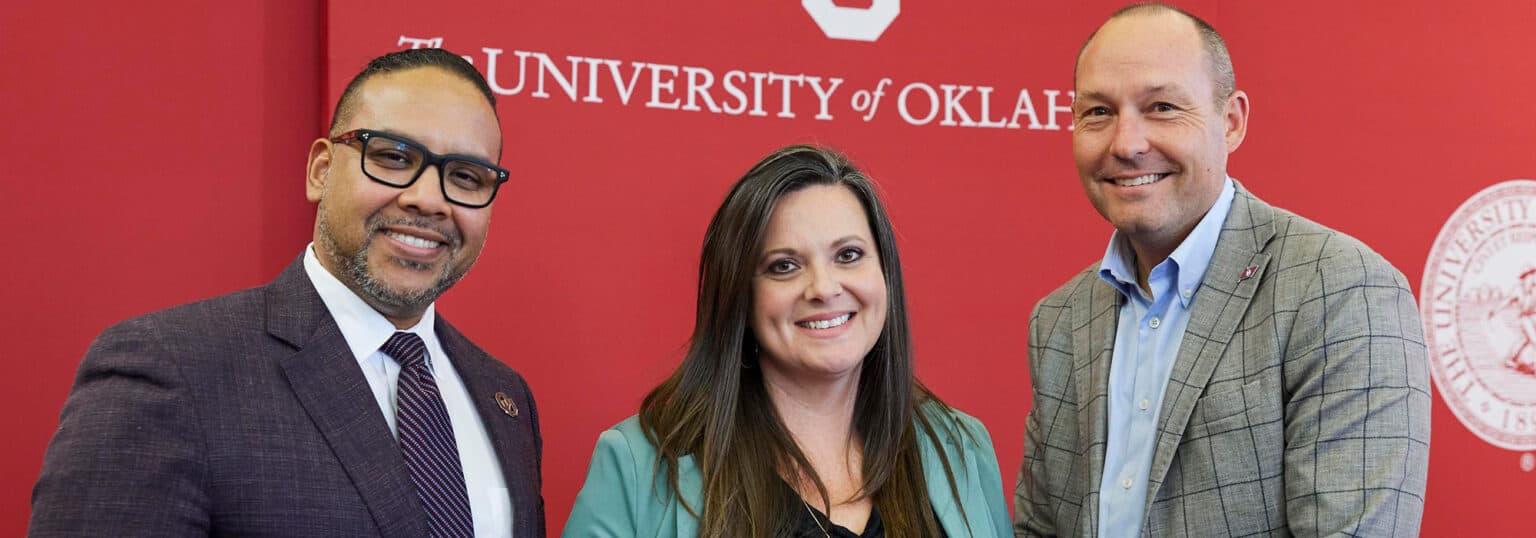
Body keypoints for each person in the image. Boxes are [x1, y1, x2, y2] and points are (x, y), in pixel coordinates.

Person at [30, 48, 544, 537]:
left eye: (467, 177)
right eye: (392, 156)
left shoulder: (504, 397)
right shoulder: (171, 369)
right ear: (321, 170)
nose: (429, 199)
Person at [1013, 4, 1431, 536]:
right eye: (1098, 112)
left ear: (1230, 122)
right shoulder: (1057, 323)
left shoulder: (1342, 289)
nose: (1126, 143)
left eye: (1161, 106)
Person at [562, 145, 1012, 537]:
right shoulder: (639, 464)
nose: (823, 287)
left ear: (884, 273)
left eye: (848, 255)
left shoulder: (962, 448)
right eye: (784, 266)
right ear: (741, 294)